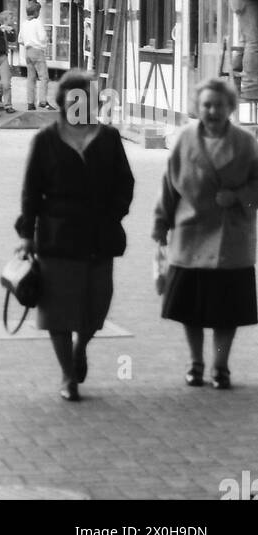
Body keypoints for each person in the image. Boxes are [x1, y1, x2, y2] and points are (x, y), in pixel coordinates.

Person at [15, 69, 135, 401]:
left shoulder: (108, 138)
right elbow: (31, 191)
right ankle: (68, 375)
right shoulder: (45, 140)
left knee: (96, 305)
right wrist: (27, 234)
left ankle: (81, 346)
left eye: (85, 99)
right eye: (72, 100)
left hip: (100, 235)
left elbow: (125, 182)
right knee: (57, 310)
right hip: (57, 237)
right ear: (61, 103)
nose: (79, 105)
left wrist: (114, 214)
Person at [152, 77, 258, 390]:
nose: (212, 111)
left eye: (219, 105)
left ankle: (220, 367)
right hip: (191, 234)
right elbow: (169, 187)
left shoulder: (246, 143)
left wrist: (239, 196)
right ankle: (196, 363)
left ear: (230, 108)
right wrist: (160, 227)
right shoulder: (183, 140)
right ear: (198, 107)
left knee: (227, 314)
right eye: (206, 105)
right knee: (192, 311)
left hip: (231, 239)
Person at [19, 0, 50, 110]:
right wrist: (45, 42)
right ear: (36, 12)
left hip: (28, 51)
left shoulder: (24, 24)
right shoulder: (37, 22)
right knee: (44, 77)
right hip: (37, 51)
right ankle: (43, 101)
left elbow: (20, 40)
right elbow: (42, 37)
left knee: (31, 78)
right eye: (39, 11)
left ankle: (30, 103)